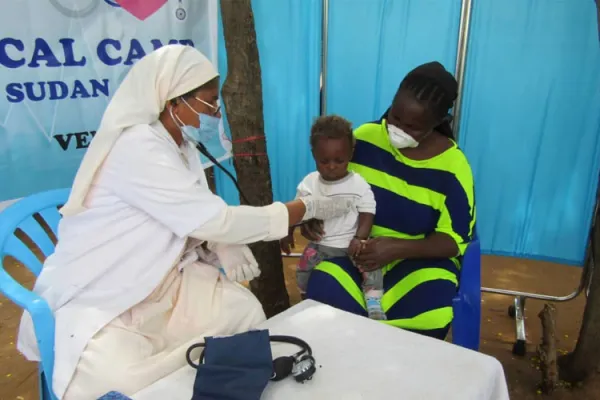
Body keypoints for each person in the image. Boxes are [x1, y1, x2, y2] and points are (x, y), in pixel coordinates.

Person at [16, 45, 356, 399]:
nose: (215, 113)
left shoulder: (181, 147)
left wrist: (217, 241)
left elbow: (195, 212)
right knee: (124, 379)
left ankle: (197, 372)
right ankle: (187, 369)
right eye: (210, 102)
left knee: (243, 313)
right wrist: (302, 209)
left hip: (163, 280)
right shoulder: (137, 148)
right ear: (173, 101)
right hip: (105, 291)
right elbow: (212, 218)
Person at [304, 62, 476, 340]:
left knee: (430, 315)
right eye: (394, 117)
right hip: (356, 252)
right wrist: (312, 214)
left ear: (438, 122)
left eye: (412, 127)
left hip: (418, 260)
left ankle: (379, 362)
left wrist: (396, 248)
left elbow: (455, 240)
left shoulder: (453, 167)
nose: (396, 129)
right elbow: (329, 188)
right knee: (324, 290)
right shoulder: (363, 140)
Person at [280, 116, 384, 319]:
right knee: (302, 270)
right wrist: (287, 232)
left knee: (372, 268)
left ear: (350, 154)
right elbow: (297, 209)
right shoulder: (309, 183)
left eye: (339, 160)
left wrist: (360, 238)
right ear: (314, 155)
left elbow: (367, 210)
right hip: (320, 245)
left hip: (351, 246)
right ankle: (305, 299)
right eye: (324, 161)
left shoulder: (358, 184)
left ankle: (374, 302)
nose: (332, 166)